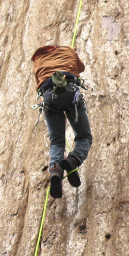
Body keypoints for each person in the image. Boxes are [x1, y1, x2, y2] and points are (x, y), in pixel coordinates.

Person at [30, 44, 93, 199]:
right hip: (71, 92)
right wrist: (70, 55)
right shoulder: (67, 51)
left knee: (57, 141)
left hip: (49, 98)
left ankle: (56, 169)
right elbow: (81, 67)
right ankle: (73, 159)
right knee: (84, 136)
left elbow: (38, 80)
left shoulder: (38, 61)